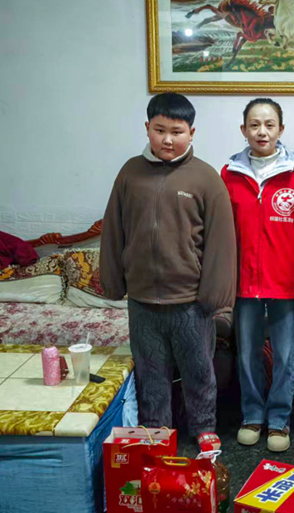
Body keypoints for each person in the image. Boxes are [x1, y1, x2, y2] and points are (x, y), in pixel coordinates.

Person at [100, 92, 237, 452]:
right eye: (159, 130)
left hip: (190, 301)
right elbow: (113, 230)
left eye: (177, 132)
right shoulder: (130, 173)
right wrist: (113, 283)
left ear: (192, 133)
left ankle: (204, 426)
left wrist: (215, 297)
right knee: (150, 372)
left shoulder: (206, 178)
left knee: (198, 369)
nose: (167, 139)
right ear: (147, 128)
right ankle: (155, 431)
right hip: (142, 300)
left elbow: (222, 242)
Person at [221, 98, 294, 452]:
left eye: (269, 124)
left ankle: (279, 420)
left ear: (281, 129)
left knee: (285, 354)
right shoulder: (229, 174)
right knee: (246, 353)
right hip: (244, 282)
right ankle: (251, 415)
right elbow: (221, 234)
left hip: (285, 283)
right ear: (243, 129)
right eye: (254, 124)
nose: (261, 131)